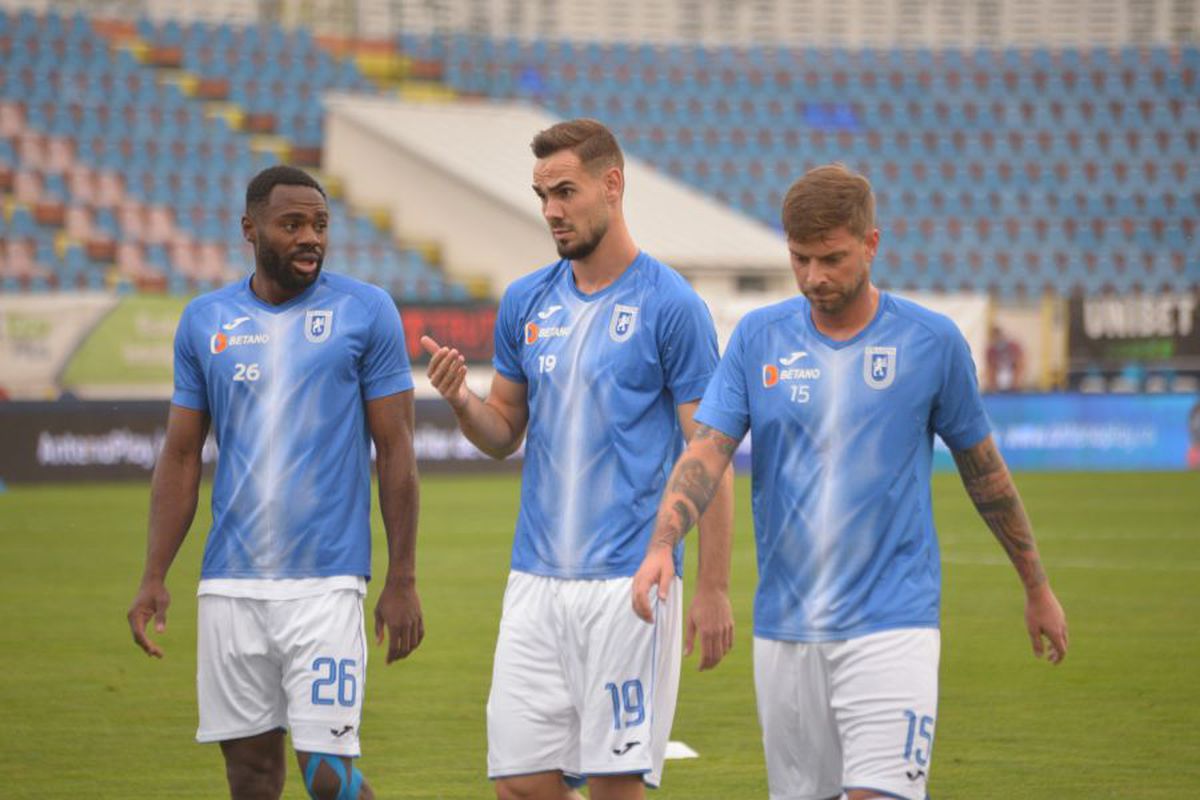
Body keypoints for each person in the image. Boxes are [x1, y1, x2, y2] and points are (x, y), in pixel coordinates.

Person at [633, 163, 1069, 800]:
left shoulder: (931, 343)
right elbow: (706, 453)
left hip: (893, 626)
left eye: (832, 258)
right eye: (800, 258)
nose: (814, 277)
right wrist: (660, 545)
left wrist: (1036, 586)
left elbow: (986, 475)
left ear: (872, 244)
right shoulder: (758, 338)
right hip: (785, 632)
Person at [421, 118, 734, 800]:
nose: (551, 211)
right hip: (534, 582)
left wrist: (710, 587)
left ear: (612, 185)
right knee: (519, 784)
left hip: (629, 585)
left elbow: (710, 453)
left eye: (565, 191)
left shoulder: (671, 305)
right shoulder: (526, 301)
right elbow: (504, 431)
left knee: (613, 788)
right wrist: (462, 401)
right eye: (541, 195)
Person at [126, 165, 423, 800]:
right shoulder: (206, 321)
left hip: (326, 584)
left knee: (328, 776)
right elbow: (180, 457)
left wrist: (402, 578)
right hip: (230, 585)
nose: (310, 236)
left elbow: (395, 449)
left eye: (319, 224)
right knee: (252, 778)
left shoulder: (365, 311)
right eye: (292, 224)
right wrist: (154, 575)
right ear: (250, 229)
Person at [984, 323, 1025, 392]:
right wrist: (992, 384)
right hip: (998, 376)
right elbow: (990, 368)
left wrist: (1016, 381)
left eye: (997, 337)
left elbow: (1020, 364)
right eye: (994, 338)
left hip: (1011, 375)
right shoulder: (991, 350)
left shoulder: (1013, 347)